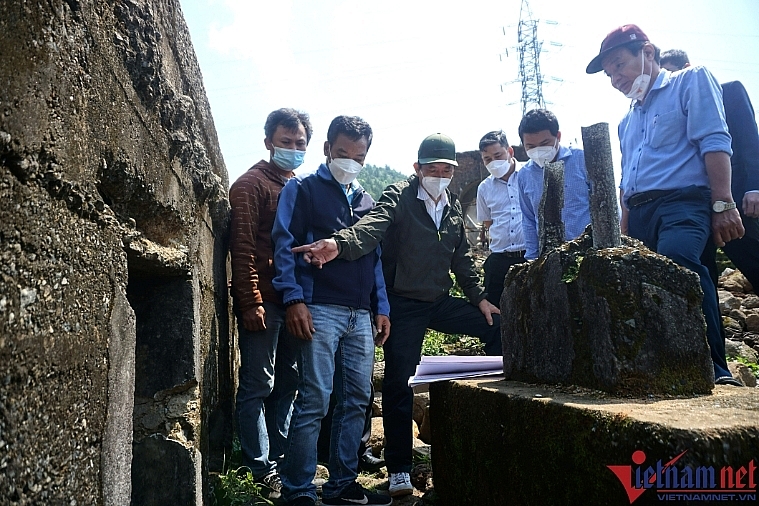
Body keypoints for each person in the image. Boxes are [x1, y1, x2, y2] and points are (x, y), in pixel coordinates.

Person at [291, 133, 502, 497]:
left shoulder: (451, 205)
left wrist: (480, 298)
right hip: (402, 304)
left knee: (496, 324)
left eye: (446, 170)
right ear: (417, 168)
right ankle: (400, 467)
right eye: (432, 168)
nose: (439, 175)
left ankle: (491, 411)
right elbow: (372, 228)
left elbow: (462, 259)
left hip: (437, 300)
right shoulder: (398, 196)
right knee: (399, 382)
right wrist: (339, 244)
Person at [586, 24, 745, 386]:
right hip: (640, 212)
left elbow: (714, 140)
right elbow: (627, 182)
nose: (615, 78)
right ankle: (665, 369)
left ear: (648, 52)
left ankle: (715, 369)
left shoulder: (689, 81)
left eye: (619, 65)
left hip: (683, 203)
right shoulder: (627, 120)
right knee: (642, 283)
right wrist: (623, 234)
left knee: (680, 265)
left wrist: (723, 203)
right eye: (609, 73)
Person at [272, 115, 392, 506]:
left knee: (357, 398)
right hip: (318, 308)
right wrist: (294, 299)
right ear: (326, 150)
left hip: (360, 314)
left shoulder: (367, 202)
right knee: (315, 398)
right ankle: (298, 489)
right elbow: (283, 248)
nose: (350, 162)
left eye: (359, 156)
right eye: (343, 153)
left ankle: (342, 484)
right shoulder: (302, 191)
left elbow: (373, 260)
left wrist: (381, 307)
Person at [228, 108, 312, 499]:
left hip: (296, 300)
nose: (293, 149)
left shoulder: (301, 186)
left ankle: (281, 458)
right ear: (268, 142)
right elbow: (242, 248)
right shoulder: (250, 185)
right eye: (286, 142)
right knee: (258, 384)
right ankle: (259, 466)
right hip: (265, 302)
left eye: (299, 144)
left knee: (290, 382)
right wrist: (250, 301)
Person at [660, 49, 759, 292]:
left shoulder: (730, 93)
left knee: (752, 258)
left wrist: (754, 187)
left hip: (737, 199)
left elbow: (750, 142)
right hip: (694, 207)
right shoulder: (667, 113)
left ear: (688, 66)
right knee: (702, 276)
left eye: (676, 73)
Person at [516, 109, 592, 260]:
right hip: (549, 257)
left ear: (558, 136)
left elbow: (603, 203)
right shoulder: (524, 175)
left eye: (544, 143)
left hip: (587, 253)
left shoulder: (582, 160)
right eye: (530, 147)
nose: (538, 151)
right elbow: (529, 219)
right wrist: (532, 258)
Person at [476, 130, 526, 306]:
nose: (494, 162)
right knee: (496, 311)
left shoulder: (531, 174)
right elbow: (488, 223)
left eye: (498, 155)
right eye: (488, 159)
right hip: (499, 258)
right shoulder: (484, 188)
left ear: (510, 152)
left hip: (531, 255)